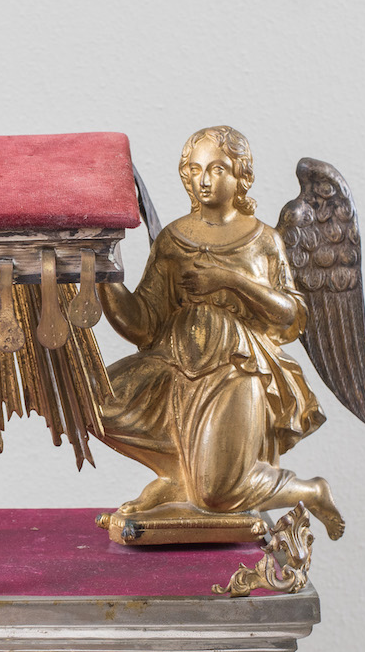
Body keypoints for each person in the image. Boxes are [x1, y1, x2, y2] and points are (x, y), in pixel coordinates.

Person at [97, 125, 344, 538]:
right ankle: (177, 478)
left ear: (240, 175)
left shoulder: (263, 240)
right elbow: (143, 321)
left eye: (217, 169)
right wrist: (105, 277)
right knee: (91, 402)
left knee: (218, 495)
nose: (204, 180)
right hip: (174, 364)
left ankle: (311, 490)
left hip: (237, 368)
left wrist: (230, 280)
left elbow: (291, 316)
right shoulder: (173, 240)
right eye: (195, 170)